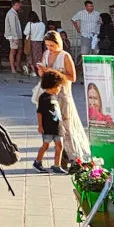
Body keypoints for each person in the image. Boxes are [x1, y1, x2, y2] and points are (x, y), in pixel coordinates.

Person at [35, 30, 89, 160]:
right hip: (50, 95)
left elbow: (73, 77)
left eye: (52, 45)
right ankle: (60, 155)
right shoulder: (46, 54)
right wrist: (42, 71)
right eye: (47, 45)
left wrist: (54, 72)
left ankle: (73, 154)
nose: (49, 48)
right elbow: (43, 76)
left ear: (58, 43)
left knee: (67, 125)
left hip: (64, 94)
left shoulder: (65, 56)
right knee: (54, 126)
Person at [34, 68, 67, 174]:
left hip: (58, 127)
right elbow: (39, 112)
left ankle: (57, 165)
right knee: (45, 145)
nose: (60, 88)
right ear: (52, 85)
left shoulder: (55, 97)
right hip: (47, 127)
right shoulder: (43, 98)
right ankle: (37, 162)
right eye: (59, 86)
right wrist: (40, 125)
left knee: (60, 146)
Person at [4, 1, 25, 74]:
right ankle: (13, 68)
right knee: (13, 51)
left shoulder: (14, 13)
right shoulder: (11, 14)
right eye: (19, 5)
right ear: (15, 5)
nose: (20, 7)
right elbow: (13, 26)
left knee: (19, 50)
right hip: (13, 36)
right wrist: (15, 37)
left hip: (18, 35)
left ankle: (18, 66)